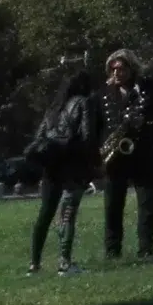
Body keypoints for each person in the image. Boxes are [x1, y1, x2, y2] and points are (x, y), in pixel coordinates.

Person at [26, 65, 101, 276]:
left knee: (45, 213)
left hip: (51, 166)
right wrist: (93, 163)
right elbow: (88, 137)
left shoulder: (53, 109)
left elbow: (39, 137)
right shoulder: (83, 103)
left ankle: (34, 264)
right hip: (72, 167)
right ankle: (65, 263)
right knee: (67, 213)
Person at [99, 48, 153, 262]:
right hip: (115, 157)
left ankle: (146, 247)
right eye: (113, 69)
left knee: (146, 203)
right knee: (112, 205)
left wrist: (145, 125)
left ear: (131, 67)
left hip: (142, 152)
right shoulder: (104, 94)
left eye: (120, 68)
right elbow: (97, 124)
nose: (116, 73)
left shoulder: (148, 88)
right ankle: (112, 249)